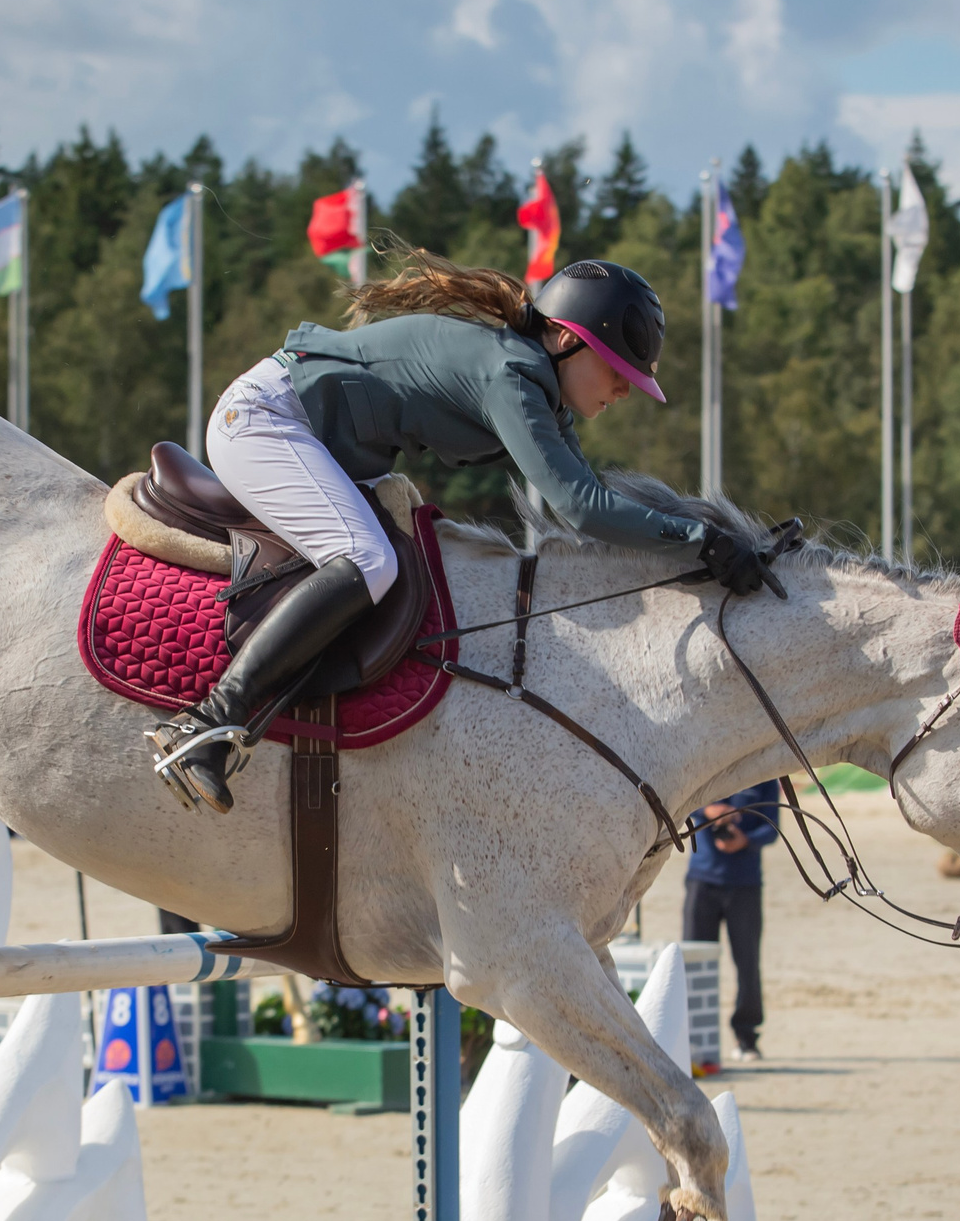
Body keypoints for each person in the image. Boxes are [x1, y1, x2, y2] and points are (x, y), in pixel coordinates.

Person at [148, 251, 773, 812]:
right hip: (265, 421)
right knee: (368, 561)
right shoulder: (511, 375)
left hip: (304, 434)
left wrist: (700, 535)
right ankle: (207, 721)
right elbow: (579, 509)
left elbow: (597, 499)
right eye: (615, 369)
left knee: (398, 557)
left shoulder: (539, 384)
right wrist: (702, 542)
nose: (624, 390)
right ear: (563, 340)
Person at [682, 782, 779, 1062]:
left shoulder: (766, 775)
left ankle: (746, 1037)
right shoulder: (708, 765)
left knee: (747, 963)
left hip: (745, 883)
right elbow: (680, 802)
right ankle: (691, 1039)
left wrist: (745, 840)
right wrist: (709, 811)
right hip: (702, 881)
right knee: (693, 963)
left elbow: (772, 827)